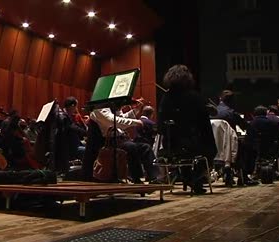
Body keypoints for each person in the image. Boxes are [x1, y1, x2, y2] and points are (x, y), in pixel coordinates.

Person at [157, 65, 217, 194]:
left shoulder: (165, 98)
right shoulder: (194, 97)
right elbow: (204, 125)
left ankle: (186, 176)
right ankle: (195, 178)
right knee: (211, 150)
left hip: (169, 146)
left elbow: (160, 126)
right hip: (191, 144)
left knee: (182, 152)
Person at [88, 101, 159, 184]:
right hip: (109, 141)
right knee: (130, 146)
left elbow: (122, 117)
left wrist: (135, 110)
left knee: (145, 147)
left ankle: (153, 177)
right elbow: (114, 121)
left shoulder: (111, 107)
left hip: (121, 139)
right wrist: (136, 122)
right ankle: (136, 178)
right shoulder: (99, 109)